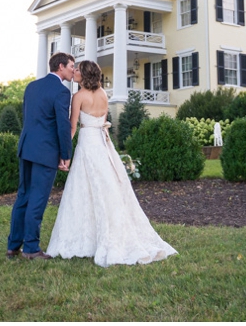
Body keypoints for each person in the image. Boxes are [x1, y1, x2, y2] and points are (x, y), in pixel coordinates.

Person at [46, 59, 177, 267]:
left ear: (85, 75)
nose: (75, 72)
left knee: (83, 189)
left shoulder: (78, 96)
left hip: (88, 144)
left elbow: (72, 129)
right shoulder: (103, 95)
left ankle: (85, 239)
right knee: (108, 188)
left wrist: (64, 154)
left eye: (78, 70)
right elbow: (104, 122)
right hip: (103, 144)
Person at [6, 52, 75, 260]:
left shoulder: (31, 87)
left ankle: (13, 247)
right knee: (37, 199)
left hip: (26, 147)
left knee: (23, 196)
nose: (74, 69)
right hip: (45, 151)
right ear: (61, 67)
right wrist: (66, 154)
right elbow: (63, 125)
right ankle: (31, 249)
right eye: (72, 66)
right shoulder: (61, 92)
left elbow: (29, 117)